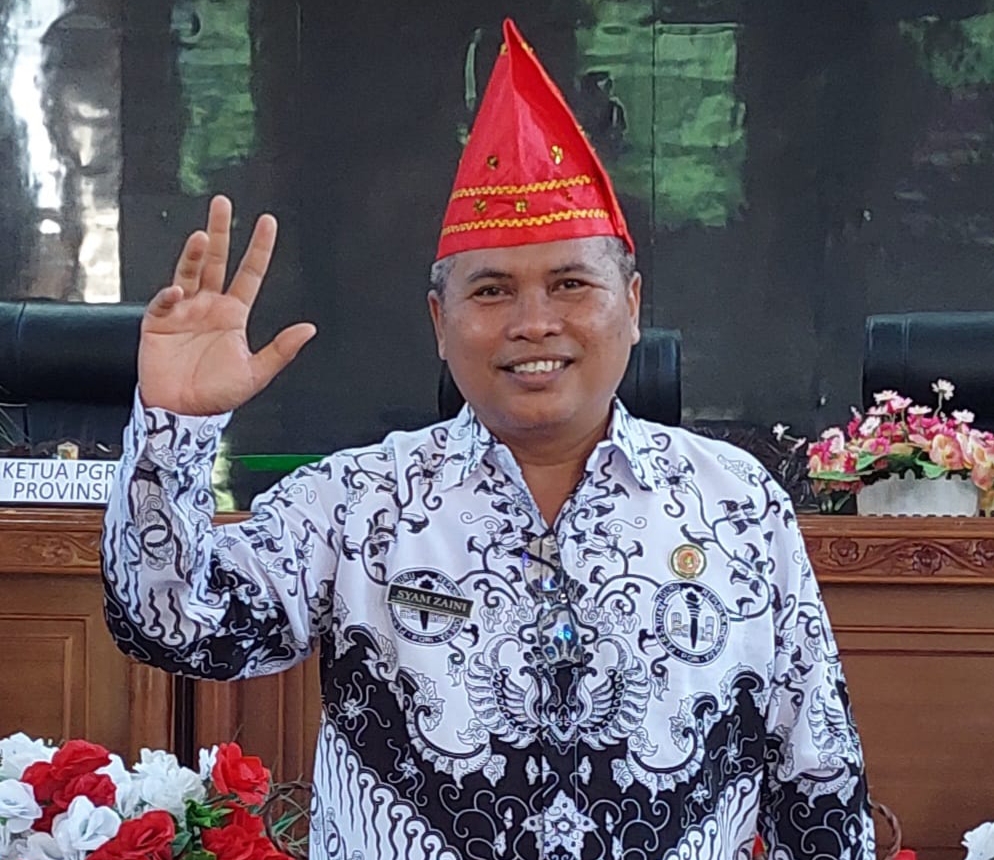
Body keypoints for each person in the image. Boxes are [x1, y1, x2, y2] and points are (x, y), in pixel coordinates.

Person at [102, 18, 874, 860]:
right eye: (493, 290)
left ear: (632, 305)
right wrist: (174, 426)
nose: (534, 322)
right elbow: (174, 622)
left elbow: (818, 786)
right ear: (441, 321)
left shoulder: (736, 504)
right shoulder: (359, 503)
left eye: (570, 283)